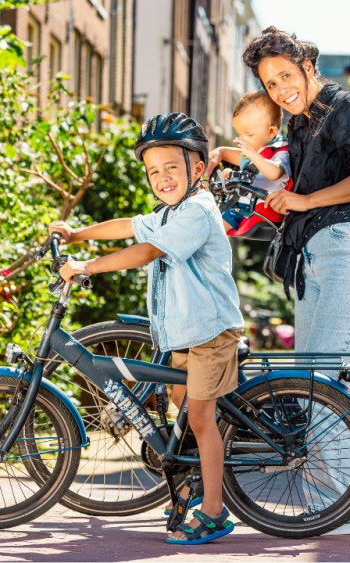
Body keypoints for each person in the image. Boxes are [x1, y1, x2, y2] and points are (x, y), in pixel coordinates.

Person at [48, 112, 242, 546]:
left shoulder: (196, 211)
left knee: (200, 416)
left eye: (172, 167)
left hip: (211, 333)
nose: (162, 177)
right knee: (179, 399)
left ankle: (214, 510)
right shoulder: (170, 211)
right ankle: (193, 480)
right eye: (154, 170)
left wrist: (87, 267)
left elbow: (146, 249)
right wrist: (76, 235)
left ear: (197, 169)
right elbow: (128, 226)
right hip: (185, 334)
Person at [242, 26, 350, 535]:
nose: (280, 89)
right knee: (314, 386)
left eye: (286, 75)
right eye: (270, 83)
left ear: (308, 65)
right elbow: (292, 187)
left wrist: (306, 201)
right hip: (315, 261)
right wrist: (284, 203)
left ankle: (338, 512)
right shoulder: (300, 128)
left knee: (324, 382)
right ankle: (344, 509)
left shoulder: (347, 106)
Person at [205, 90, 292, 233]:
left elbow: (275, 173)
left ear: (271, 132)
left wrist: (253, 155)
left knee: (213, 231)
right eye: (240, 134)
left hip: (256, 209)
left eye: (249, 134)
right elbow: (246, 170)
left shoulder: (280, 150)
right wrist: (231, 174)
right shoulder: (257, 149)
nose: (243, 139)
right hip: (241, 204)